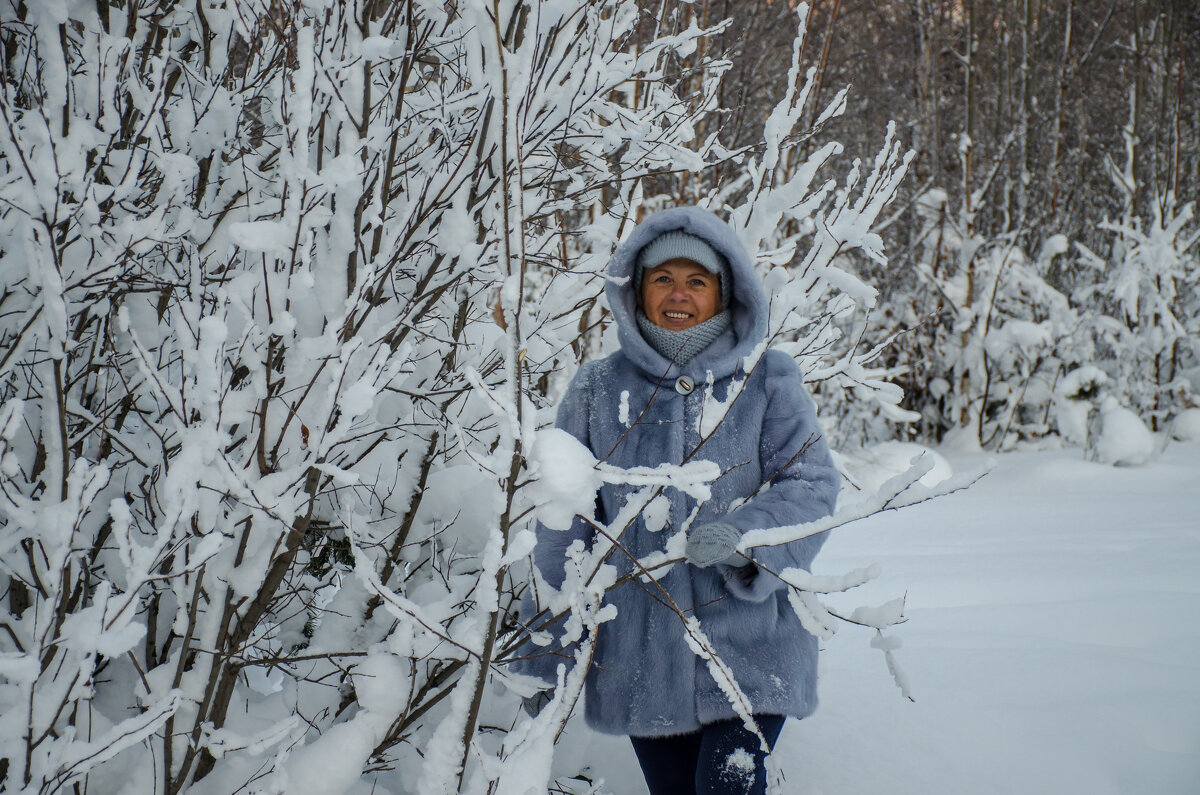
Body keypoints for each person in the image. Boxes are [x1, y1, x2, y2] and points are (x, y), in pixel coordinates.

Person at [518, 206, 840, 795]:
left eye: (697, 281)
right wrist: (547, 641)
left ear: (725, 292)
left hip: (752, 645)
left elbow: (811, 486)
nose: (679, 294)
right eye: (663, 278)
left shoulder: (765, 379)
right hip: (644, 660)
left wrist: (745, 539)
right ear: (637, 291)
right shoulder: (596, 388)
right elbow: (564, 522)